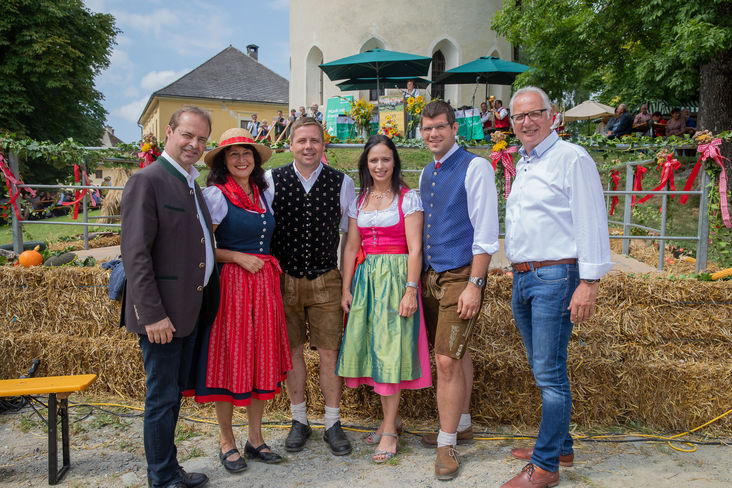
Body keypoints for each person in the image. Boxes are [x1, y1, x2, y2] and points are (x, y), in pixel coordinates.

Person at [500, 86, 612, 488]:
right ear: (511, 123)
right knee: (541, 365)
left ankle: (546, 465)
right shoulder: (524, 162)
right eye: (519, 117)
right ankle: (560, 444)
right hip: (525, 275)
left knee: (550, 373)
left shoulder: (571, 158)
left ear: (552, 115)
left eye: (535, 114)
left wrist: (589, 281)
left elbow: (590, 218)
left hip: (556, 276)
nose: (527, 122)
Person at [120, 105, 220, 488]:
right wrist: (152, 315)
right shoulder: (148, 180)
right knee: (161, 399)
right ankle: (161, 478)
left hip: (188, 311)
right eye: (188, 135)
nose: (194, 144)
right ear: (169, 133)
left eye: (201, 140)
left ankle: (170, 468)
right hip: (162, 317)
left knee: (173, 396)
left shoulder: (190, 182)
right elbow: (136, 254)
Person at [184, 128, 292, 473]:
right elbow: (199, 245)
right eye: (234, 155)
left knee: (260, 358)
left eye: (247, 153)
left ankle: (255, 438)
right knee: (231, 360)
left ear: (255, 160)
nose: (242, 159)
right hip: (232, 287)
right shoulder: (215, 195)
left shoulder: (262, 194)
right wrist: (236, 257)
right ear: (223, 162)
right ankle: (226, 441)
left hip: (263, 288)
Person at [264, 117, 356, 457]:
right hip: (284, 276)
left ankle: (333, 421)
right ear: (291, 145)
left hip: (325, 278)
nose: (308, 147)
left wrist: (346, 284)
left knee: (330, 351)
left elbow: (350, 240)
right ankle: (299, 419)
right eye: (302, 140)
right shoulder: (271, 180)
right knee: (292, 351)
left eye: (314, 141)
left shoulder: (341, 182)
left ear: (323, 144)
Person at [336, 135, 432, 463]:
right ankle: (392, 420)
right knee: (374, 350)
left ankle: (389, 429)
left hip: (394, 279)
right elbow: (350, 247)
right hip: (366, 283)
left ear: (395, 162)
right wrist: (346, 288)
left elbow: (416, 249)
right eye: (374, 160)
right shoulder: (359, 200)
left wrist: (410, 289)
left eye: (386, 160)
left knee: (391, 351)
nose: (379, 166)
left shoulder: (408, 199)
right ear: (366, 163)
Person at [417, 100, 499, 480]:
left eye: (439, 127)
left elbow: (485, 234)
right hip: (431, 275)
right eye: (427, 128)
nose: (433, 133)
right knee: (455, 354)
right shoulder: (426, 172)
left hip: (460, 275)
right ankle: (461, 423)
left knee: (446, 360)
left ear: (454, 129)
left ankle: (446, 443)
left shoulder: (476, 166)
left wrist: (475, 285)